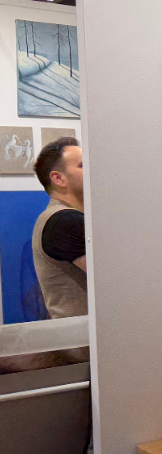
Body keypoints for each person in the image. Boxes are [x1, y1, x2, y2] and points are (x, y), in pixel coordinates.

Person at [30, 136, 83, 318]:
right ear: (58, 178)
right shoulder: (66, 221)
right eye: (83, 165)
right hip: (83, 334)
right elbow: (113, 280)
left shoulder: (59, 217)